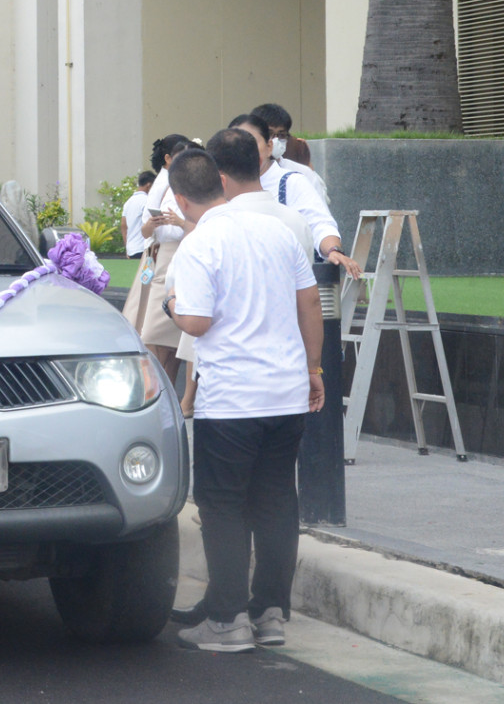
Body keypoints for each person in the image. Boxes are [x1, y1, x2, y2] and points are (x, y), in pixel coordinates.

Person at [162, 147, 324, 653]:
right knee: (277, 501)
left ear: (183, 199)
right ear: (223, 183)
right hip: (287, 392)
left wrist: (169, 303)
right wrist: (314, 370)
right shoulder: (278, 232)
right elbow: (311, 302)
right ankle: (269, 613)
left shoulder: (198, 244)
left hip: (231, 400)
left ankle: (227, 620)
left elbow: (196, 322)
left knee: (223, 506)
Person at [230, 115, 362, 280]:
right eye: (237, 145)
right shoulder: (222, 184)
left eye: (251, 144)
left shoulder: (292, 182)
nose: (245, 151)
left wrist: (333, 250)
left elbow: (319, 222)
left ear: (269, 146)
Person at [125, 134, 195, 382]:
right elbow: (144, 229)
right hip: (155, 255)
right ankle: (158, 382)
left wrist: (180, 223)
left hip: (174, 254)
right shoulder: (162, 183)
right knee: (148, 326)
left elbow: (201, 224)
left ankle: (163, 382)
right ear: (168, 159)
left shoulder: (191, 183)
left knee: (162, 328)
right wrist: (152, 225)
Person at [250, 102, 328, 203]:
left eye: (281, 135)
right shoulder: (242, 174)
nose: (275, 140)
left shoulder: (304, 174)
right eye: (269, 134)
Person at [122, 170, 156, 262]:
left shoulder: (128, 202)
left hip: (131, 250)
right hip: (143, 248)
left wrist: (127, 247)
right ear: (149, 185)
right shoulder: (147, 201)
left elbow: (124, 227)